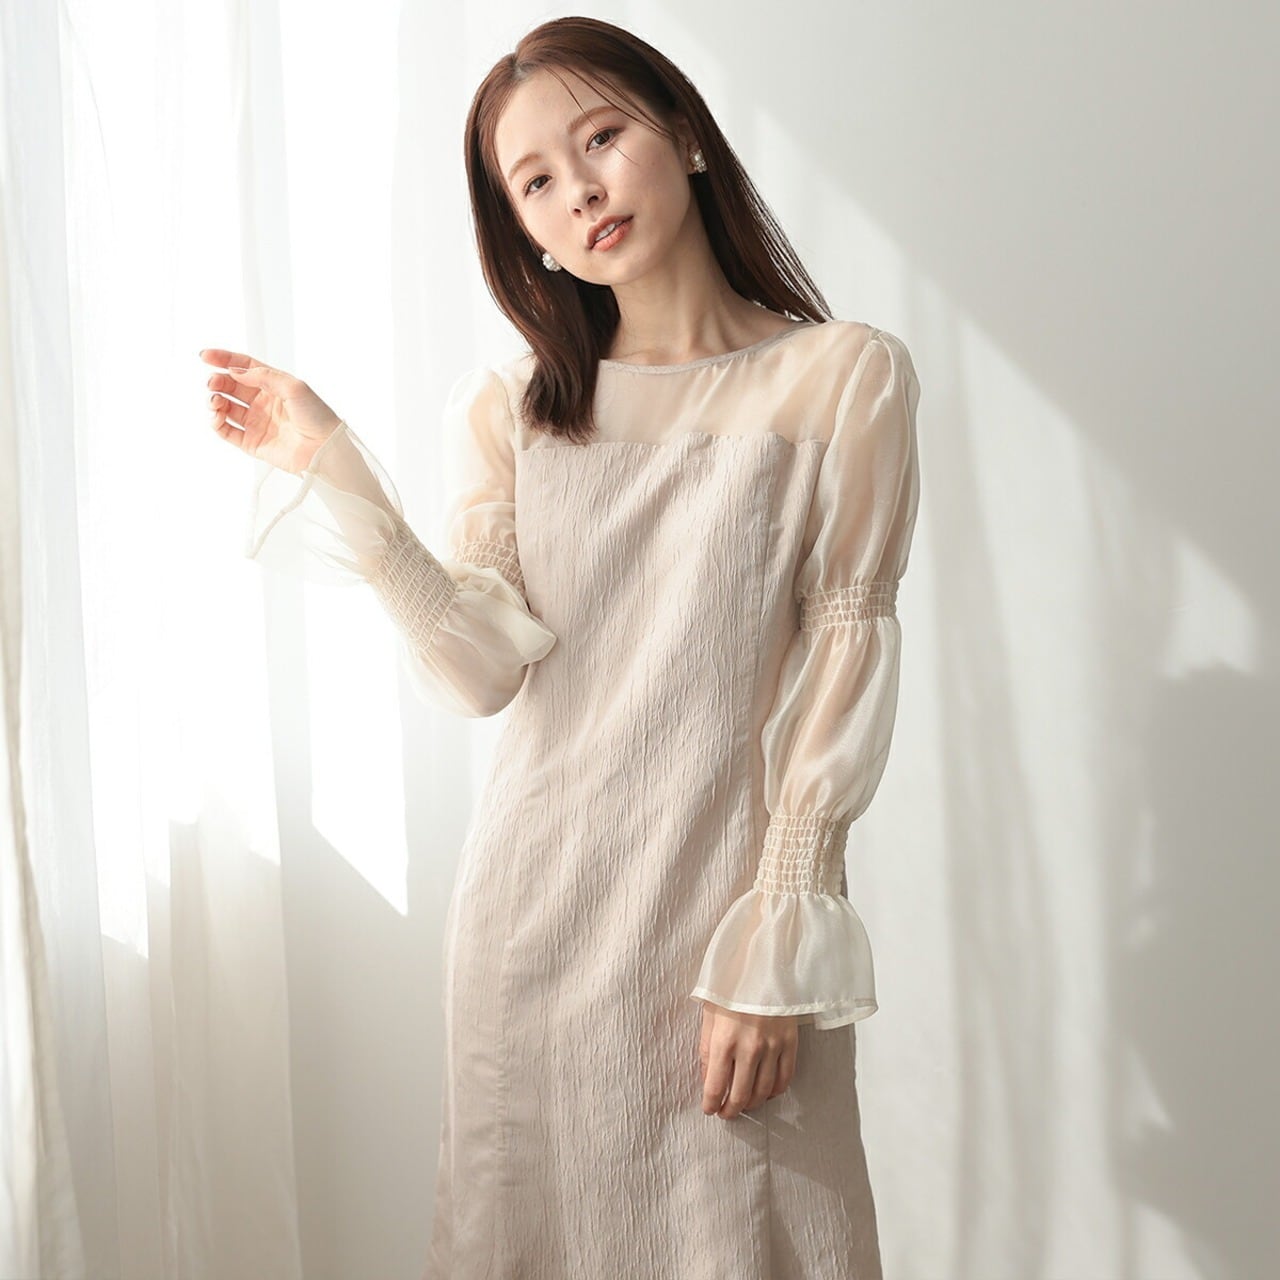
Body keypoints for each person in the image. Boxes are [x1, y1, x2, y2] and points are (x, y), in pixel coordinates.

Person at [200, 14, 920, 1278]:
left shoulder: (838, 377)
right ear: (521, 229)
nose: (579, 190)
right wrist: (339, 473)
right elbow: (481, 668)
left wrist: (775, 937)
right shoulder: (512, 411)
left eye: (601, 138)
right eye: (534, 180)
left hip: (726, 926)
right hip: (535, 932)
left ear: (683, 137)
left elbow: (841, 660)